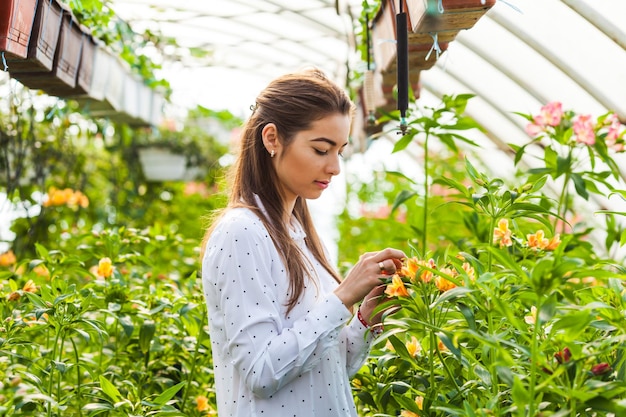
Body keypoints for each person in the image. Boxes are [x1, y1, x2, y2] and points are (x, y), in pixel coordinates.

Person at [200, 68, 406, 416]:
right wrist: (342, 298)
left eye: (339, 150)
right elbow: (261, 373)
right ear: (272, 139)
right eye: (321, 149)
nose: (335, 167)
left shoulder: (301, 238)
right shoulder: (242, 233)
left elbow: (326, 372)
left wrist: (366, 317)